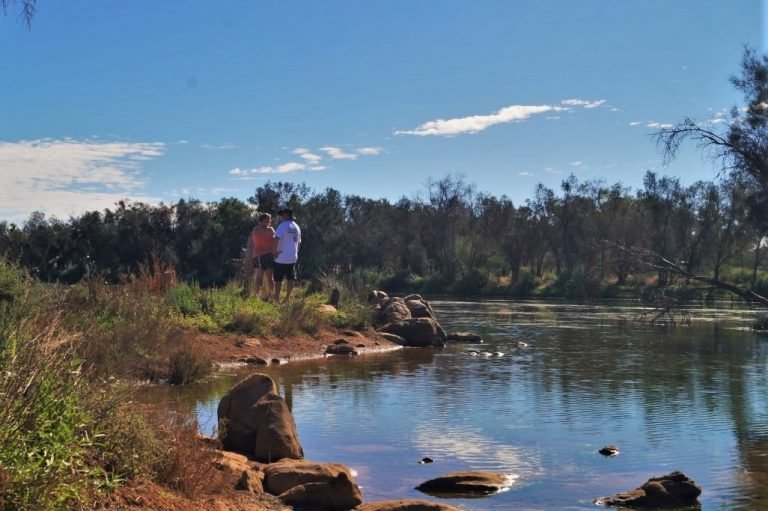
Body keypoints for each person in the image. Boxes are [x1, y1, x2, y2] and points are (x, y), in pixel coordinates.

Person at [272, 208, 301, 303]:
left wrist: (275, 252)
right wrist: (296, 253)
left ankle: (276, 298)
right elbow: (299, 242)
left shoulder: (282, 225)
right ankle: (287, 298)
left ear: (286, 215)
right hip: (292, 257)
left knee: (278, 279)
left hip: (281, 257)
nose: (280, 217)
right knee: (290, 278)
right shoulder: (296, 227)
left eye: (282, 215)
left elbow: (276, 238)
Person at [249, 213, 276, 300]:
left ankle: (269, 295)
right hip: (262, 255)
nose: (270, 221)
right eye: (269, 219)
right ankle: (259, 295)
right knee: (261, 278)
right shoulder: (259, 229)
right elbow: (274, 239)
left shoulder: (265, 229)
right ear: (264, 220)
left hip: (264, 255)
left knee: (267, 278)